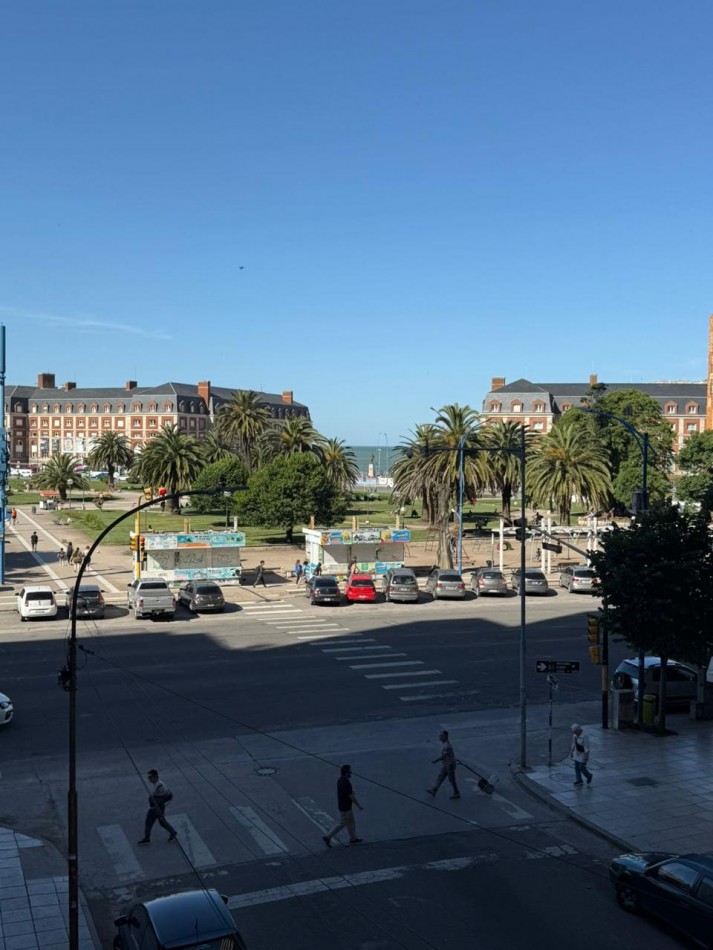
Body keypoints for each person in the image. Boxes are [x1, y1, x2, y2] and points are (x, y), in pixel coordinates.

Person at [323, 764, 363, 847]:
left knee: (351, 822)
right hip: (346, 807)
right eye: (350, 771)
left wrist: (351, 792)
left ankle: (353, 838)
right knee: (342, 823)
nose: (351, 773)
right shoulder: (347, 783)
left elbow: (345, 792)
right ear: (346, 773)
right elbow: (351, 796)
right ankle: (328, 837)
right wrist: (358, 805)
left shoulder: (340, 780)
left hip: (343, 805)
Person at [138, 769, 178, 844]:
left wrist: (157, 805)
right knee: (151, 821)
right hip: (155, 807)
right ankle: (147, 838)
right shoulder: (157, 784)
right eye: (148, 777)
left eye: (150, 777)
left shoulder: (160, 785)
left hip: (158, 807)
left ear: (155, 776)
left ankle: (172, 832)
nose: (149, 779)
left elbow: (166, 796)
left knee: (160, 821)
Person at [426, 729, 460, 800]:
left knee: (451, 779)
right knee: (440, 777)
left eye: (441, 735)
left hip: (449, 765)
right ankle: (434, 790)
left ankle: (456, 792)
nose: (440, 736)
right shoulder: (445, 744)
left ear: (444, 737)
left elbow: (444, 756)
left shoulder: (447, 745)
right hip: (446, 764)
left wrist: (436, 760)